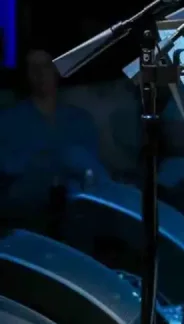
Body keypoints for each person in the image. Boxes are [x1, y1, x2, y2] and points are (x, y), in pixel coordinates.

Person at [0, 49, 110, 221]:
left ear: (56, 71)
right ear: (26, 75)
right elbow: (9, 168)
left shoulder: (79, 119)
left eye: (46, 66)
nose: (40, 73)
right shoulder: (8, 120)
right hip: (30, 206)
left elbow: (91, 169)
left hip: (78, 206)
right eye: (33, 67)